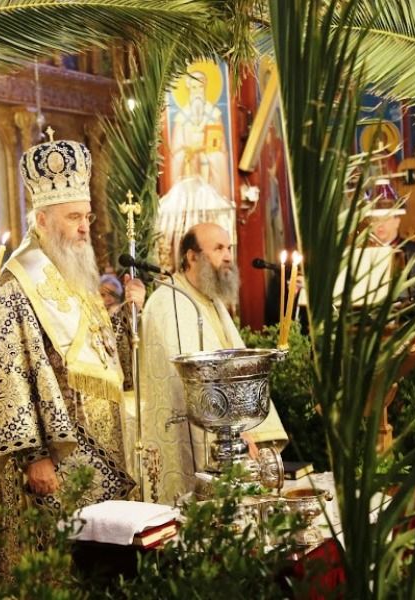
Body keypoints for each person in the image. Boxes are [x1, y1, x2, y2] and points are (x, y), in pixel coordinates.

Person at [0, 133, 144, 563]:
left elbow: (97, 351)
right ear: (41, 219)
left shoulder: (75, 275)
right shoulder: (16, 284)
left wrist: (127, 316)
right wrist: (34, 456)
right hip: (56, 459)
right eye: (73, 217)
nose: (84, 227)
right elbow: (8, 374)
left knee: (103, 556)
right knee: (62, 563)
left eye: (87, 217)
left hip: (102, 440)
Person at [140, 222, 288, 505]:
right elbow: (190, 383)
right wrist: (238, 432)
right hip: (193, 436)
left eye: (229, 248)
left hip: (232, 434)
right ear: (192, 256)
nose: (229, 256)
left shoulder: (210, 299)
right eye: (219, 248)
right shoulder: (168, 303)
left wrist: (249, 430)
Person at [170, 69, 231, 201]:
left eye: (200, 87)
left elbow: (219, 147)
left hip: (208, 162)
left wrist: (206, 151)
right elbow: (175, 152)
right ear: (188, 88)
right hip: (189, 164)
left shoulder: (214, 114)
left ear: (205, 87)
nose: (197, 91)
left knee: (217, 157)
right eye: (194, 87)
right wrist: (188, 152)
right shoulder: (181, 117)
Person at [368, 195, 415, 303]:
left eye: (385, 219)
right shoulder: (365, 254)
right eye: (376, 220)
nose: (380, 225)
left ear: (397, 222)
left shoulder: (414, 253)